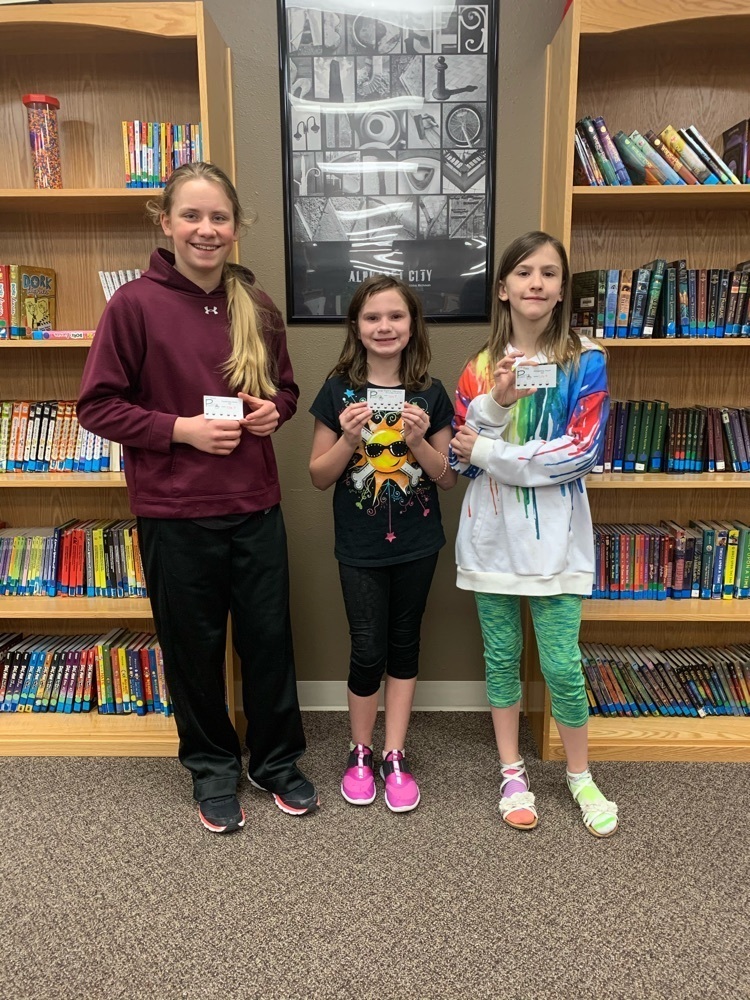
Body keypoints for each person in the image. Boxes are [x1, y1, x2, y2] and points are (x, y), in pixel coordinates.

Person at [77, 161, 318, 833]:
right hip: (175, 512)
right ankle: (212, 767)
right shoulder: (133, 306)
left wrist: (276, 413)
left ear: (236, 228)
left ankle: (277, 762)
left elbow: (286, 391)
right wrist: (178, 430)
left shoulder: (258, 306)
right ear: (166, 223)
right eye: (192, 216)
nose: (205, 229)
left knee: (270, 641)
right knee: (193, 648)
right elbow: (97, 406)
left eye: (218, 217)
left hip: (255, 505)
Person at [450, 231, 618, 838]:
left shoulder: (586, 361)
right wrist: (493, 405)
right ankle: (512, 771)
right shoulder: (476, 368)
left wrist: (493, 450)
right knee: (501, 659)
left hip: (557, 544)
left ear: (561, 289)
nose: (537, 283)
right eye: (524, 272)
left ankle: (579, 775)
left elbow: (581, 451)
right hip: (491, 540)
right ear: (503, 288)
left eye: (550, 273)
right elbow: (459, 459)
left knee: (562, 664)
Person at [309, 275, 456, 812]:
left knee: (404, 644)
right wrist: (349, 438)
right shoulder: (337, 390)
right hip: (360, 544)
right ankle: (361, 750)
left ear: (412, 324)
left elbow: (445, 477)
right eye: (372, 317)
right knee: (366, 648)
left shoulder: (430, 392)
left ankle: (395, 753)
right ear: (356, 327)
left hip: (418, 542)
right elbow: (319, 476)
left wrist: (416, 440)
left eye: (395, 316)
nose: (384, 326)